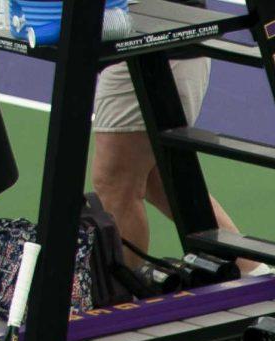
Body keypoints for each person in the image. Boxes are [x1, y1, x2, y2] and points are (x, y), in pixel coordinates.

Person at [88, 55, 258, 274]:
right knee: (156, 180)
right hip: (167, 50)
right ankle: (253, 271)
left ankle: (120, 296)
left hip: (149, 51)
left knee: (117, 183)